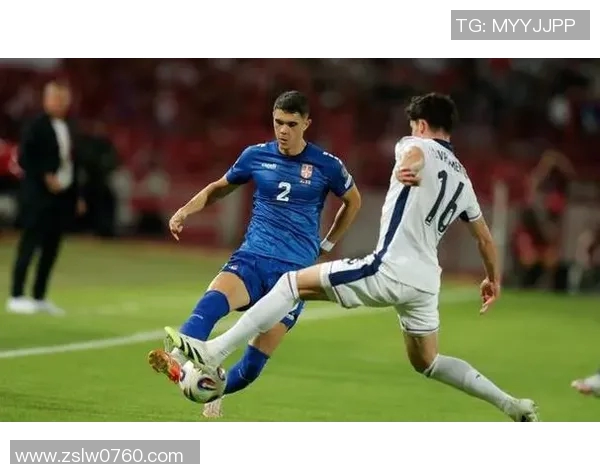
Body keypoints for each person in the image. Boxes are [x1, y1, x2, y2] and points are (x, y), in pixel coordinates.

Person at [165, 92, 539, 422]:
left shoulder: (415, 145)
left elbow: (414, 156)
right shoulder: (463, 180)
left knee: (290, 284)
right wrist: (493, 279)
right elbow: (485, 238)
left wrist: (410, 166)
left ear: (421, 125)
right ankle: (511, 404)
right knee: (429, 362)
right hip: (426, 284)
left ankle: (214, 350)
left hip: (389, 268)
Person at [147, 90, 361, 417]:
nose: (283, 130)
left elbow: (353, 201)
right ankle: (175, 358)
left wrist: (328, 244)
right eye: (278, 122)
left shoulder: (326, 164)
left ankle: (216, 387)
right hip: (253, 256)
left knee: (250, 368)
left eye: (291, 124)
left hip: (294, 274)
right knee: (212, 300)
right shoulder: (255, 156)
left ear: (307, 123)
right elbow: (219, 188)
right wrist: (185, 210)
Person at [6, 81, 85, 316]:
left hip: (62, 198)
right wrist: (45, 175)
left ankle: (39, 297)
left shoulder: (70, 127)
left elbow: (73, 163)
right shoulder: (35, 126)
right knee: (29, 244)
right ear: (46, 99)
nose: (59, 103)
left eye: (63, 98)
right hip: (38, 197)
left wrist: (77, 195)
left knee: (51, 248)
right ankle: (16, 295)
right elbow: (24, 158)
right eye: (55, 98)